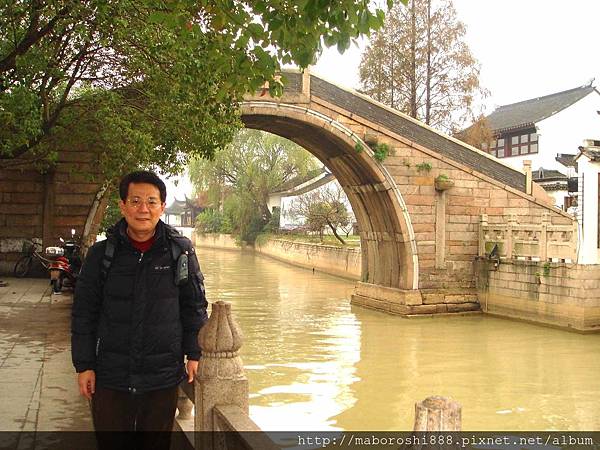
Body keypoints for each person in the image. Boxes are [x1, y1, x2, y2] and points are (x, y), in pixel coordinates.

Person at [71, 170, 208, 450]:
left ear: (162, 205)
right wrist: (84, 365)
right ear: (122, 206)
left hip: (162, 374)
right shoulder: (102, 255)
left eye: (151, 201)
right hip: (111, 374)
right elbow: (84, 313)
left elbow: (193, 305)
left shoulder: (180, 252)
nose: (143, 209)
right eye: (135, 201)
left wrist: (194, 352)